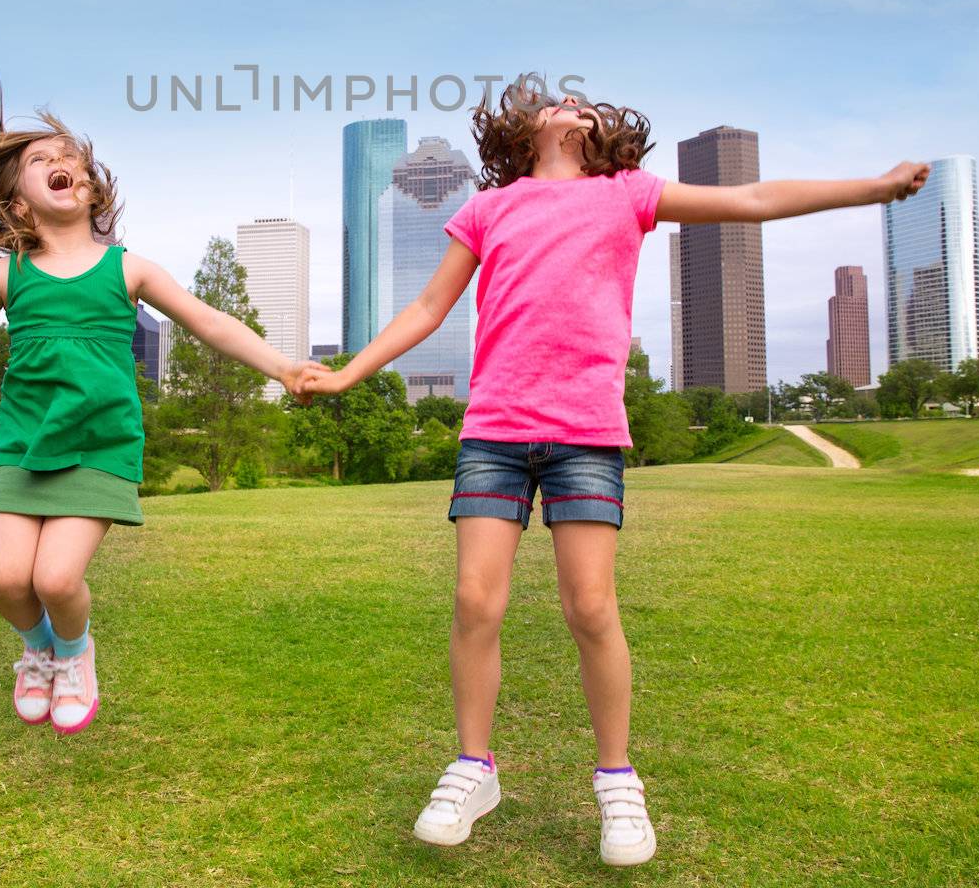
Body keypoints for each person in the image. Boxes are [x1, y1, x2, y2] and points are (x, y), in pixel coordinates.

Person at [302, 74, 927, 867]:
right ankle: (473, 766)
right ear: (523, 128)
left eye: (587, 104)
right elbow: (429, 309)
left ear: (603, 134)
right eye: (560, 101)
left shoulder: (627, 193)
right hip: (494, 428)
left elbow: (754, 201)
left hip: (586, 434)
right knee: (473, 598)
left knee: (591, 606)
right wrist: (351, 372)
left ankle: (617, 780)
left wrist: (870, 188)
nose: (576, 105)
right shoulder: (488, 208)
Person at [0, 79, 323, 734]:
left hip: (99, 445)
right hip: (23, 443)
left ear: (92, 187)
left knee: (57, 578)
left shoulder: (130, 270)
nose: (59, 164)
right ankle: (37, 649)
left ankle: (74, 654)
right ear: (19, 200)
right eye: (41, 161)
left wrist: (282, 366)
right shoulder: (4, 275)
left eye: (68, 157)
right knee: (6, 579)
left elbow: (210, 322)